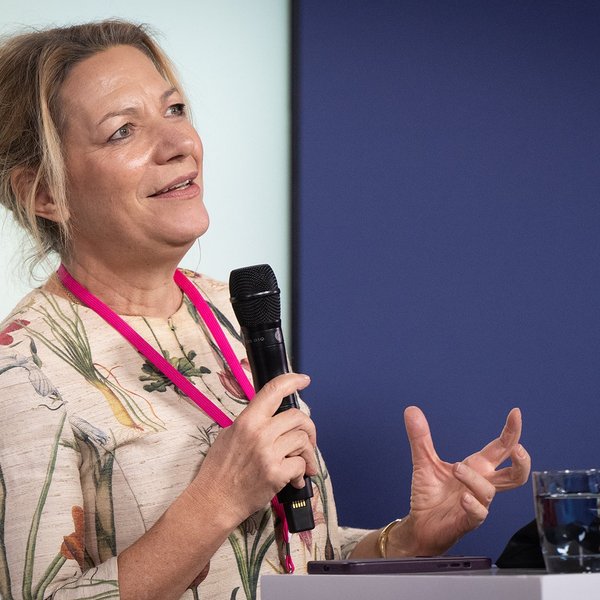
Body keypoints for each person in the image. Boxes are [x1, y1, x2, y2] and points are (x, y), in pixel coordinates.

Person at [0, 20, 531, 600]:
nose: (178, 143)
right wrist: (217, 499)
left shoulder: (229, 309)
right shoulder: (22, 369)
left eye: (175, 110)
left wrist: (405, 541)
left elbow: (293, 563)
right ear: (42, 193)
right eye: (123, 130)